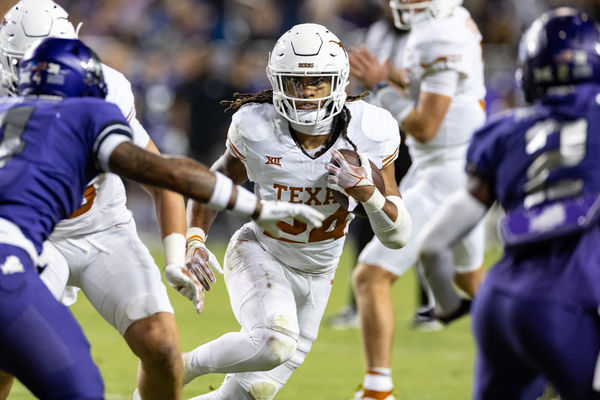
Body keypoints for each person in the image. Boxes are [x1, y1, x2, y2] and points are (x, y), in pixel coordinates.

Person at [0, 37, 324, 400]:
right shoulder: (84, 116)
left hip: (40, 248)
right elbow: (170, 174)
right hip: (15, 263)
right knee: (80, 388)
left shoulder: (7, 110)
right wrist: (258, 208)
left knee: (149, 349)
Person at [181, 23, 412, 400]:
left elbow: (398, 235)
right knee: (275, 342)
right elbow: (216, 182)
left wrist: (367, 194)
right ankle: (180, 365)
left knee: (249, 394)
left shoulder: (373, 129)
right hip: (261, 251)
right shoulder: (256, 126)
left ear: (337, 81)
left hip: (320, 273)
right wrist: (194, 239)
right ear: (276, 82)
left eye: (316, 81)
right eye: (293, 82)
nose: (304, 93)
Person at [0, 1, 189, 398]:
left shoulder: (107, 88)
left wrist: (176, 257)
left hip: (104, 229)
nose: (40, 77)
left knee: (162, 345)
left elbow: (161, 178)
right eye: (28, 65)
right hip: (28, 239)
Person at [419, 7, 600, 399]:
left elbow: (433, 246)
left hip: (498, 302)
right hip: (568, 301)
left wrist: (449, 306)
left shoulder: (503, 131)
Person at [348, 0, 487, 398]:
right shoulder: (451, 20)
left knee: (370, 276)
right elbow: (425, 84)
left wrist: (379, 88)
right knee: (472, 281)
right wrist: (385, 75)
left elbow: (426, 125)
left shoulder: (437, 34)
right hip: (459, 168)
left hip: (444, 175)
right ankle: (547, 362)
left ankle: (377, 390)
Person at [326, 0, 417, 331]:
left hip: (411, 136)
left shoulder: (423, 38)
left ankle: (427, 306)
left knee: (415, 215)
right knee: (362, 216)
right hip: (375, 135)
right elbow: (359, 79)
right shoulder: (378, 32)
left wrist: (385, 77)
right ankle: (356, 305)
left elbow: (423, 88)